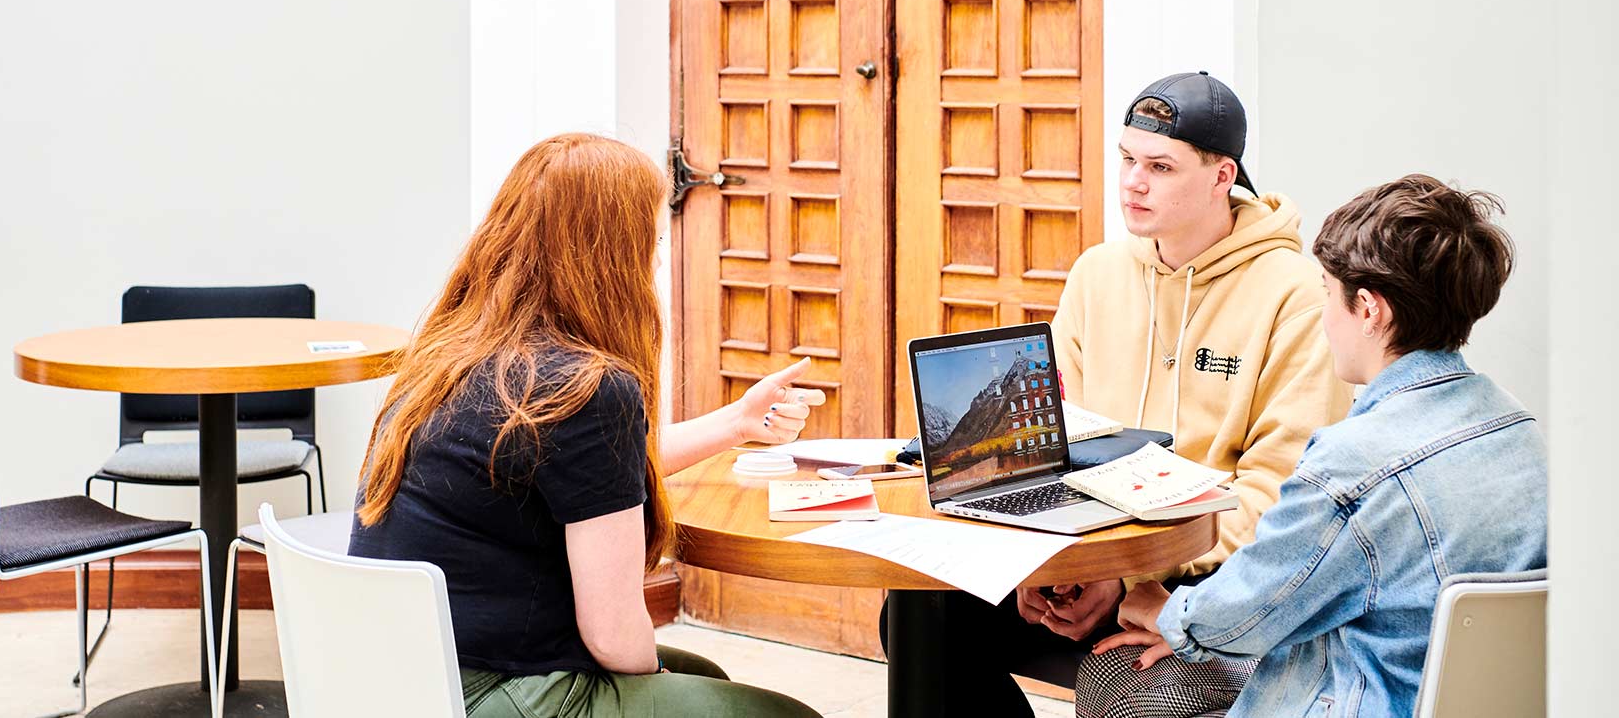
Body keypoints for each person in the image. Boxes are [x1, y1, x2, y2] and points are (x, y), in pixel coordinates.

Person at [903, 73, 1352, 713]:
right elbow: (1056, 443)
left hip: (1205, 576)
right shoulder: (1099, 273)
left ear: (1223, 176)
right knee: (922, 618)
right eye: (1127, 160)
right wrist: (1056, 569)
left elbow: (1279, 493)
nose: (1133, 183)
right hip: (1094, 553)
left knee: (1131, 693)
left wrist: (1127, 576)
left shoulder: (1296, 295)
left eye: (1160, 167)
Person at [349, 133, 824, 718]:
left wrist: (737, 422)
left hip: (401, 676)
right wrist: (657, 677)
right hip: (488, 691)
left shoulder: (455, 356)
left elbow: (594, 477)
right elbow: (613, 632)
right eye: (648, 241)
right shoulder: (584, 387)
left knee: (710, 677)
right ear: (610, 256)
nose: (653, 260)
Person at [1080, 175, 1546, 718]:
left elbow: (1249, 609)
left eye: (1328, 293)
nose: (1324, 317)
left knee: (1113, 681)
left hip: (1358, 697)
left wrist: (1168, 612)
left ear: (1369, 310)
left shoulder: (1353, 465)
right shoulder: (1520, 430)